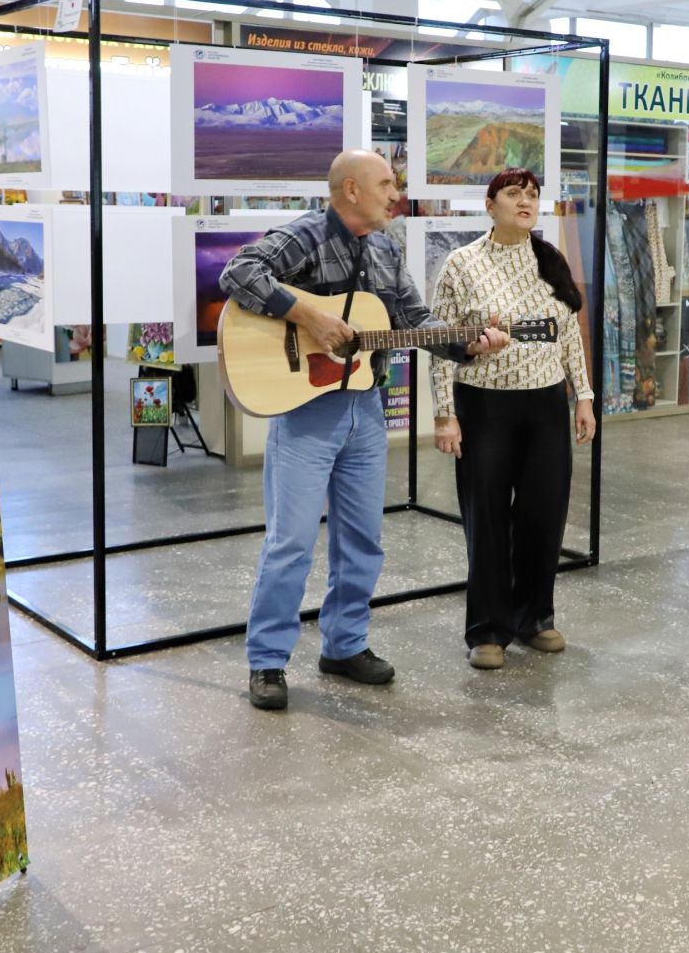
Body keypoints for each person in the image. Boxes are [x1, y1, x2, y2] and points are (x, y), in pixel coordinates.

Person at [220, 150, 510, 710]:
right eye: (385, 184)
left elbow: (415, 321)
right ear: (350, 189)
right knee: (291, 543)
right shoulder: (305, 235)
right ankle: (268, 660)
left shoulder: (385, 248)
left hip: (366, 411)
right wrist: (309, 316)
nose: (395, 193)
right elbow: (238, 273)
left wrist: (468, 344)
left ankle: (345, 645)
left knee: (362, 541)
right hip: (307, 414)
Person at [430, 168, 595, 671]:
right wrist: (444, 414)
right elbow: (439, 341)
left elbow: (569, 335)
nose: (526, 201)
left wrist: (583, 396)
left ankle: (534, 617)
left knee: (543, 515)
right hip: (484, 407)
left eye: (532, 194)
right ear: (490, 205)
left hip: (545, 407)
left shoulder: (549, 260)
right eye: (514, 193)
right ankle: (488, 628)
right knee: (487, 519)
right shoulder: (461, 263)